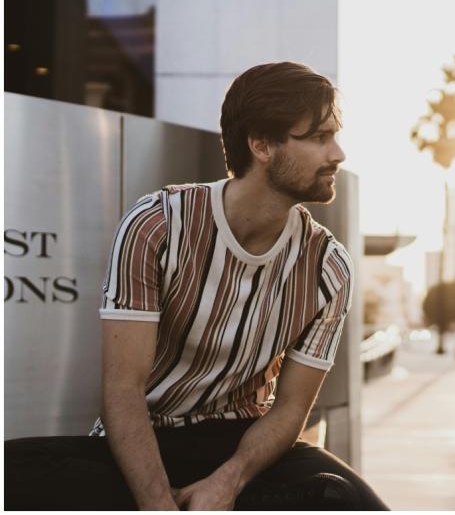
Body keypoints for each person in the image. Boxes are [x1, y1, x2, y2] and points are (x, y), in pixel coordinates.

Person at [6, 62, 389, 510]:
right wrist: (158, 503)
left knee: (350, 501)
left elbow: (289, 410)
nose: (337, 153)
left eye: (335, 135)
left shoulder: (330, 267)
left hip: (244, 443)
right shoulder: (158, 224)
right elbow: (123, 389)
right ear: (262, 145)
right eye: (320, 137)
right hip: (141, 438)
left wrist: (226, 483)